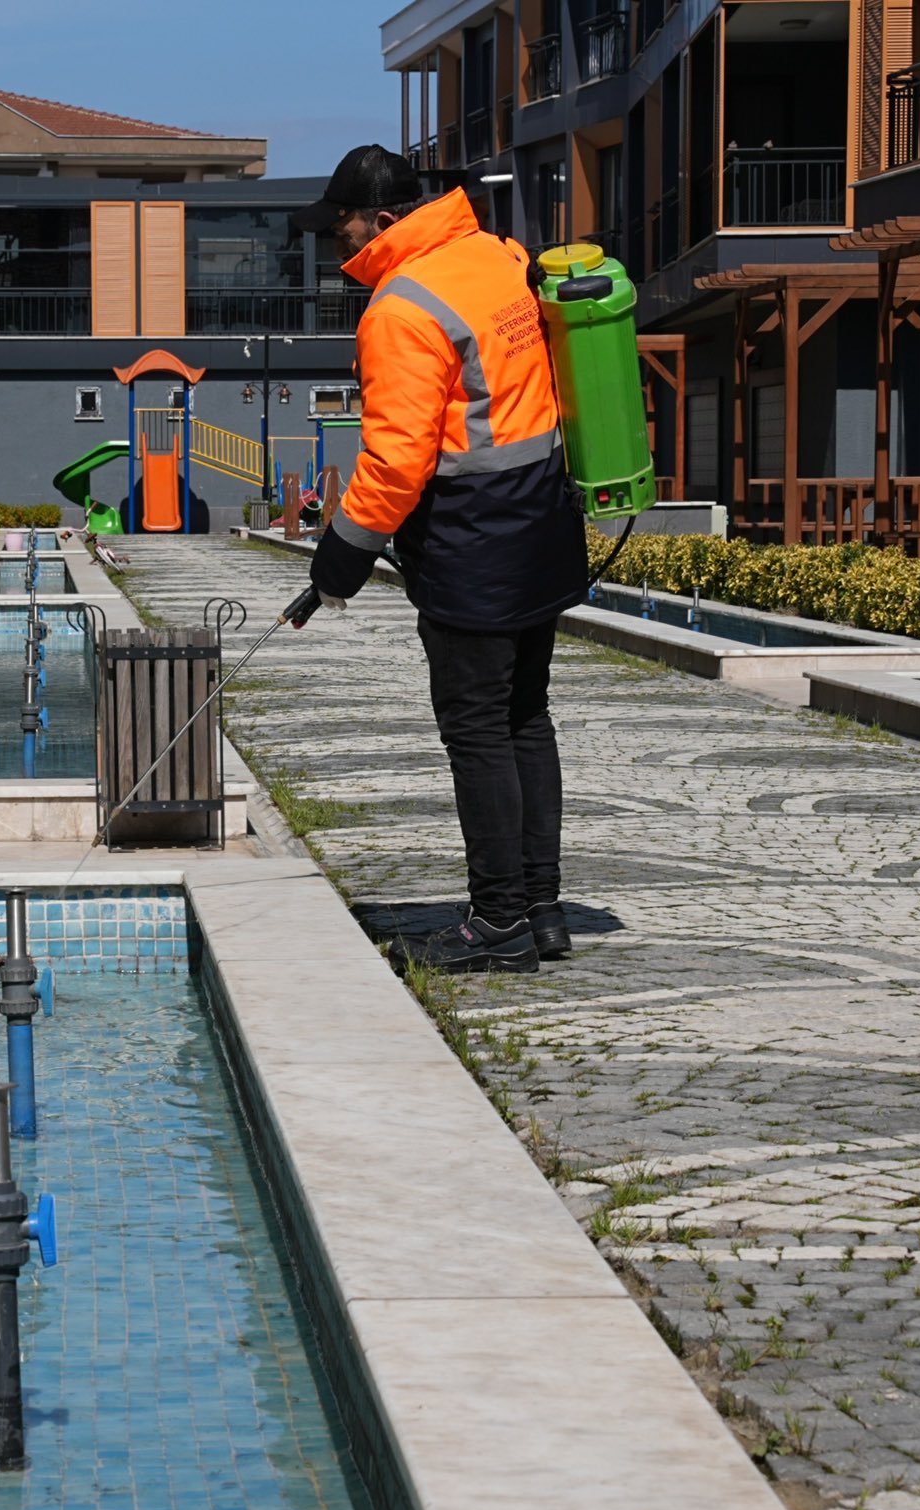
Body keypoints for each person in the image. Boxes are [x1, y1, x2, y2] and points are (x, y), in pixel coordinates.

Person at [291, 145, 585, 975]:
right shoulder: (498, 258)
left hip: (473, 540)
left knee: (479, 731)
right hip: (543, 517)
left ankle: (495, 922)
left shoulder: (400, 308)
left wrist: (337, 565)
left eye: (344, 226)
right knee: (526, 715)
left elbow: (395, 463)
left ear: (383, 220)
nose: (340, 245)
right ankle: (541, 907)